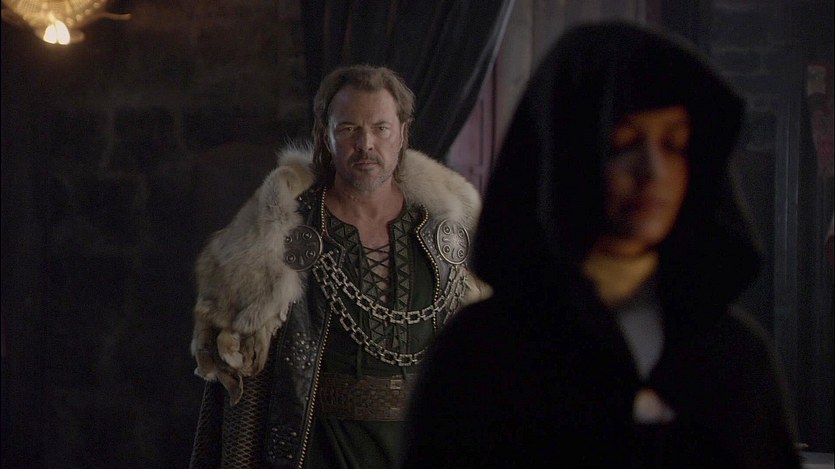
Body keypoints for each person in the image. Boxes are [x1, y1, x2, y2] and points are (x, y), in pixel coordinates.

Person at [401, 22, 802, 468]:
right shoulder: (483, 352)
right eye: (625, 141)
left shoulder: (731, 355)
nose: (653, 171)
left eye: (674, 144)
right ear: (568, 154)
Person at [188, 64, 490, 468]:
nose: (365, 144)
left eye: (381, 128)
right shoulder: (283, 234)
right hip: (318, 446)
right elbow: (244, 378)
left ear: (402, 134)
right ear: (325, 135)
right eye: (348, 128)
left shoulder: (445, 235)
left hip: (423, 443)